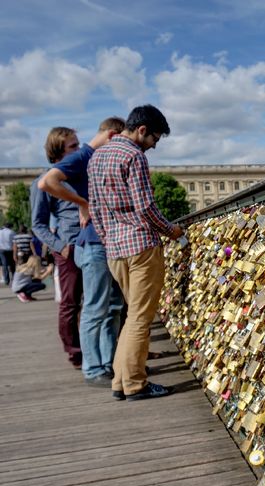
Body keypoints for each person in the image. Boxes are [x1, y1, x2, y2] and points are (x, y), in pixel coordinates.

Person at [87, 105, 184, 401]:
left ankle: (120, 381)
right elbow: (145, 207)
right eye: (155, 138)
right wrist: (171, 230)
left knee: (133, 317)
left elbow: (94, 209)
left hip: (115, 251)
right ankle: (135, 384)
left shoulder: (97, 157)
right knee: (141, 318)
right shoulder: (134, 155)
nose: (154, 145)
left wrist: (108, 240)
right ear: (142, 130)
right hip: (141, 246)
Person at [38, 117, 126, 387]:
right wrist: (83, 203)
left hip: (102, 242)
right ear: (113, 136)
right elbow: (46, 184)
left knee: (111, 307)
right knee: (90, 307)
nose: (77, 148)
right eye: (72, 145)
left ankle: (107, 363)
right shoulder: (82, 157)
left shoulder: (92, 158)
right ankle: (91, 366)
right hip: (86, 244)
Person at [30, 127, 83, 368]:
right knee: (71, 302)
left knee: (99, 302)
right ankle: (75, 352)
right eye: (73, 146)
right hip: (70, 246)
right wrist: (61, 247)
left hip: (93, 243)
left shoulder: (83, 175)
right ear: (58, 151)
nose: (79, 149)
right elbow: (38, 224)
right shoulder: (43, 182)